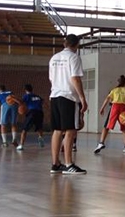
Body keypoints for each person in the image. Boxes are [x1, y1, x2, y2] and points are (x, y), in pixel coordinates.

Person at [49, 34, 88, 175]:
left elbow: (51, 79)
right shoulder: (74, 57)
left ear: (65, 43)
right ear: (77, 45)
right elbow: (75, 79)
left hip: (54, 95)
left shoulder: (54, 58)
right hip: (69, 97)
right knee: (71, 130)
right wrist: (83, 98)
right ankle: (68, 164)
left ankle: (55, 164)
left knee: (58, 130)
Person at [94, 75, 125, 154]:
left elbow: (107, 99)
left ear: (118, 82)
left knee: (106, 126)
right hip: (124, 109)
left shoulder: (114, 90)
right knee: (124, 128)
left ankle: (101, 143)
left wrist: (102, 108)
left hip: (115, 107)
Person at [18, 84, 45, 151]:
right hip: (40, 112)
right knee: (39, 127)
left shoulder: (26, 96)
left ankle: (21, 145)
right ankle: (40, 138)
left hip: (32, 112)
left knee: (24, 129)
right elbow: (43, 101)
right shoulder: (37, 96)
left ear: (25, 90)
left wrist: (14, 100)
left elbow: (21, 102)